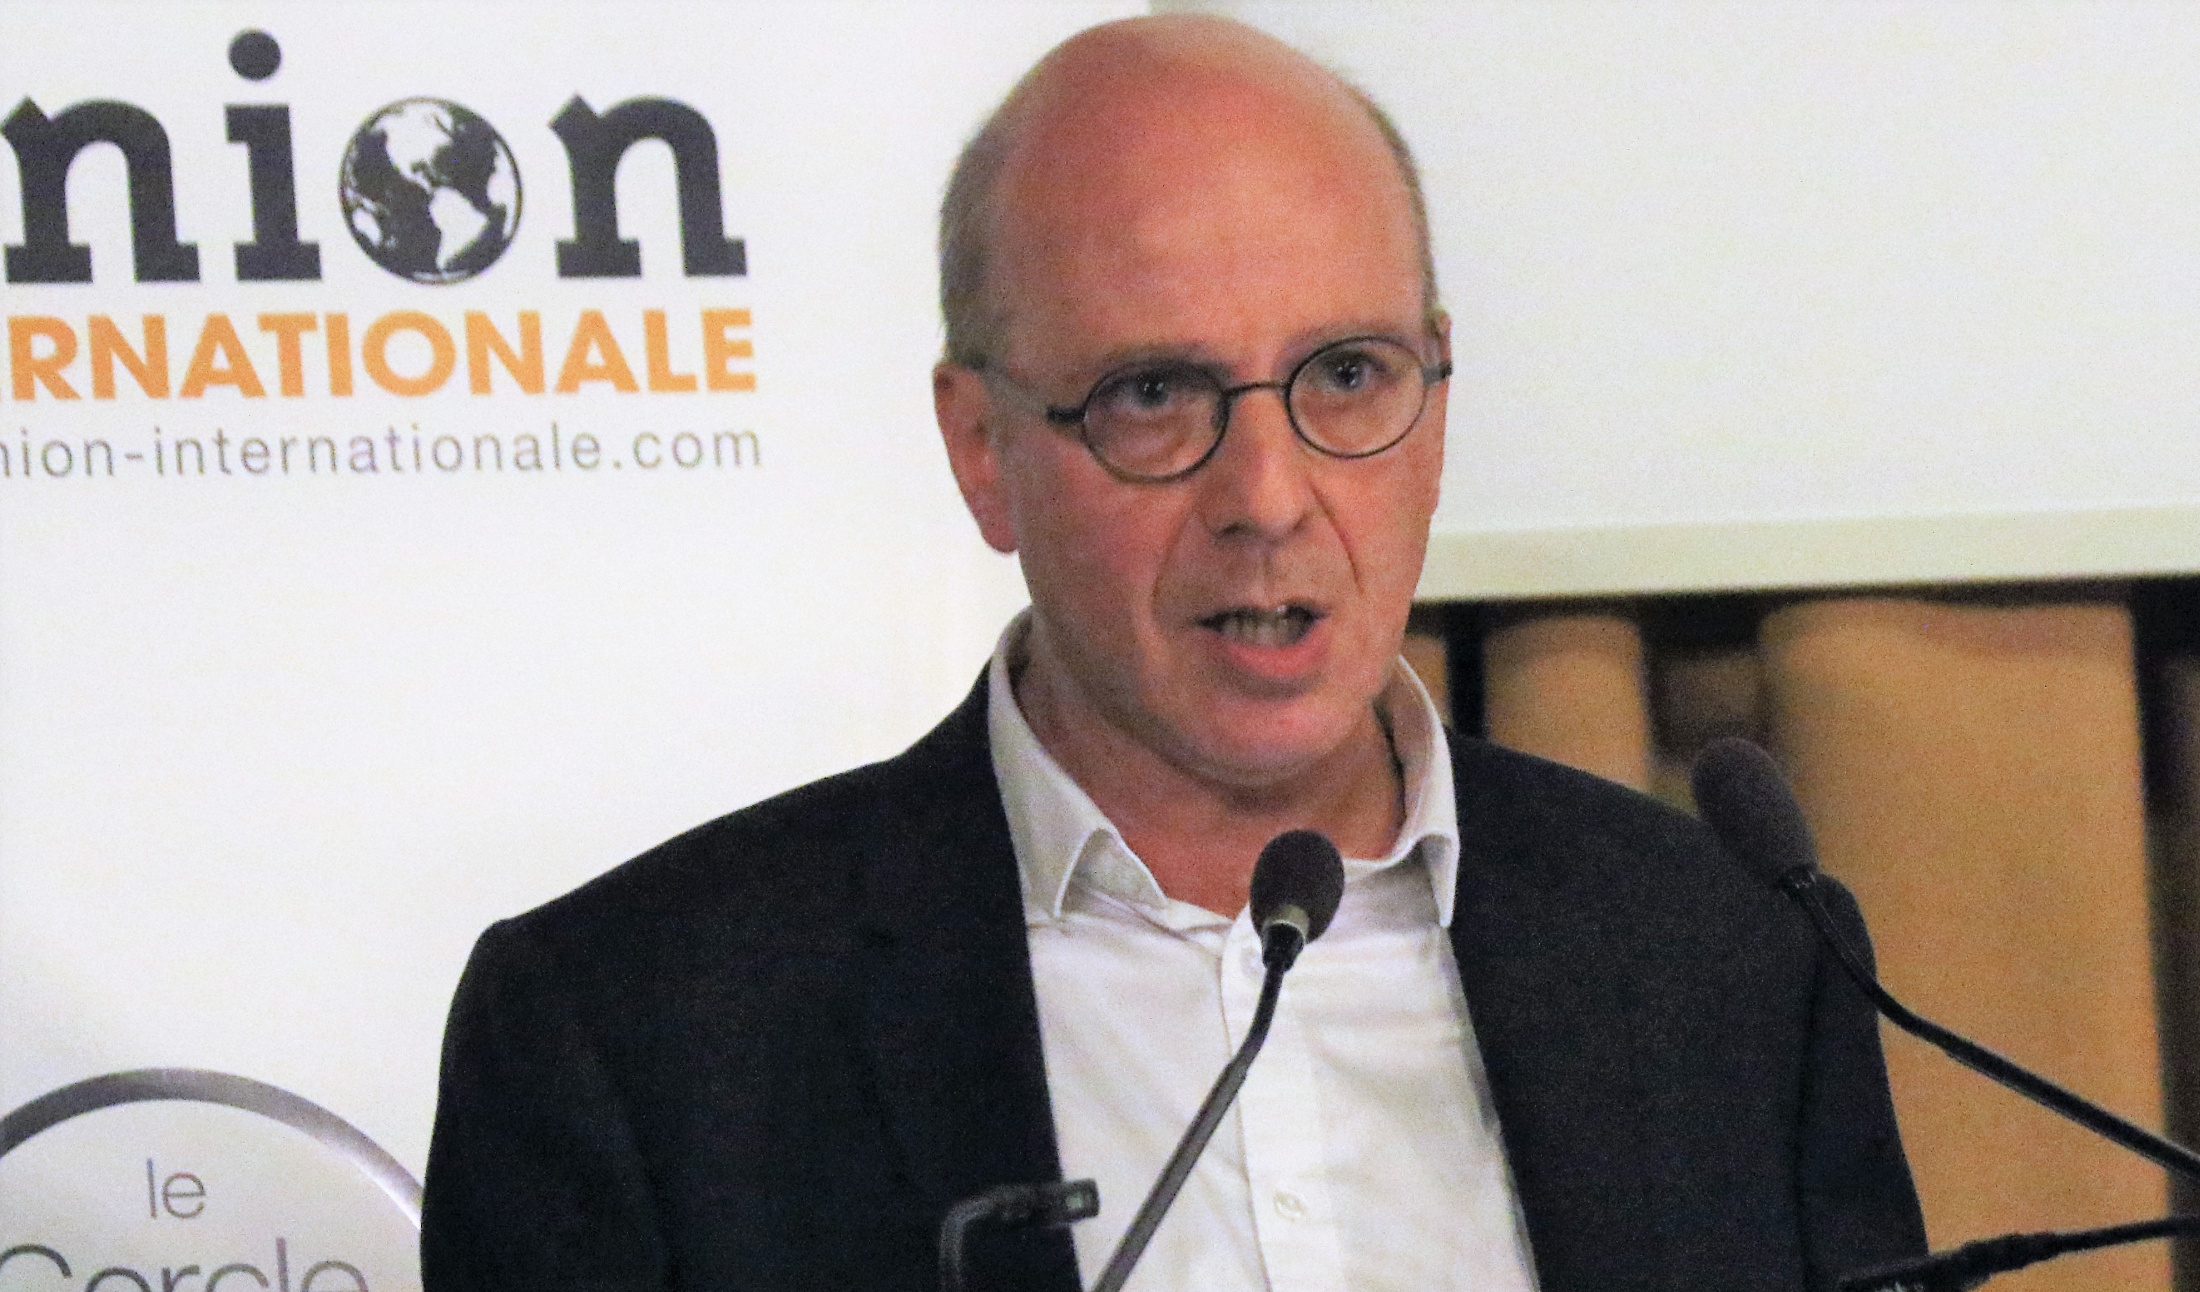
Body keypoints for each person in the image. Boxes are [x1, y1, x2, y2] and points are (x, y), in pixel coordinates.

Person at [419, 15, 1923, 1292]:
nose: (1268, 498)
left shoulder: (1727, 965)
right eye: (1153, 396)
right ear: (982, 450)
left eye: (1348, 375)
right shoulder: (638, 1039)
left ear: (1440, 400)